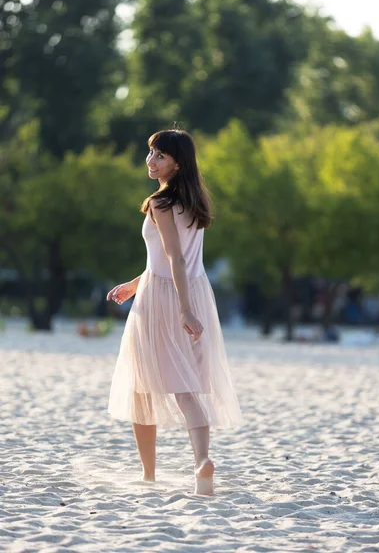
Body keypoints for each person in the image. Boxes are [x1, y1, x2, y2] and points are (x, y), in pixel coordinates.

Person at [107, 129, 242, 496]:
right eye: (150, 152)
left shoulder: (160, 203)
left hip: (167, 299)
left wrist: (183, 310)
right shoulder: (193, 202)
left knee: (141, 387)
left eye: (160, 156)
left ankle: (149, 475)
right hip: (192, 291)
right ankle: (202, 462)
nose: (151, 160)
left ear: (177, 163)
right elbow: (168, 261)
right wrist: (134, 284)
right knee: (186, 388)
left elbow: (174, 258)